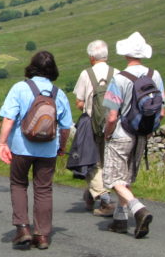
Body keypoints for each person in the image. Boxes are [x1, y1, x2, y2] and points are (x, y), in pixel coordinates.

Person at [0, 51, 73, 250]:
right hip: (48, 149)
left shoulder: (20, 88)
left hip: (21, 147)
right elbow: (65, 127)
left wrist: (2, 143)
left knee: (18, 184)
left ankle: (23, 228)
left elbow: (8, 118)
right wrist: (61, 147)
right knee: (43, 189)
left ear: (32, 67)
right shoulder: (59, 93)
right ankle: (42, 236)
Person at [102, 32, 165, 239]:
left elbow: (112, 116)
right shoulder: (154, 75)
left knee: (113, 178)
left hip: (122, 132)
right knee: (126, 176)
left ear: (125, 54)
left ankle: (138, 209)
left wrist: (107, 134)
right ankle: (120, 220)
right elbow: (162, 109)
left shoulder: (119, 79)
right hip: (141, 133)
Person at [72, 40, 118, 217]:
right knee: (108, 161)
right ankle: (91, 195)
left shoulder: (86, 74)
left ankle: (105, 200)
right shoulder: (117, 73)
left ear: (91, 57)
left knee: (93, 161)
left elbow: (79, 102)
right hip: (114, 126)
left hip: (92, 125)